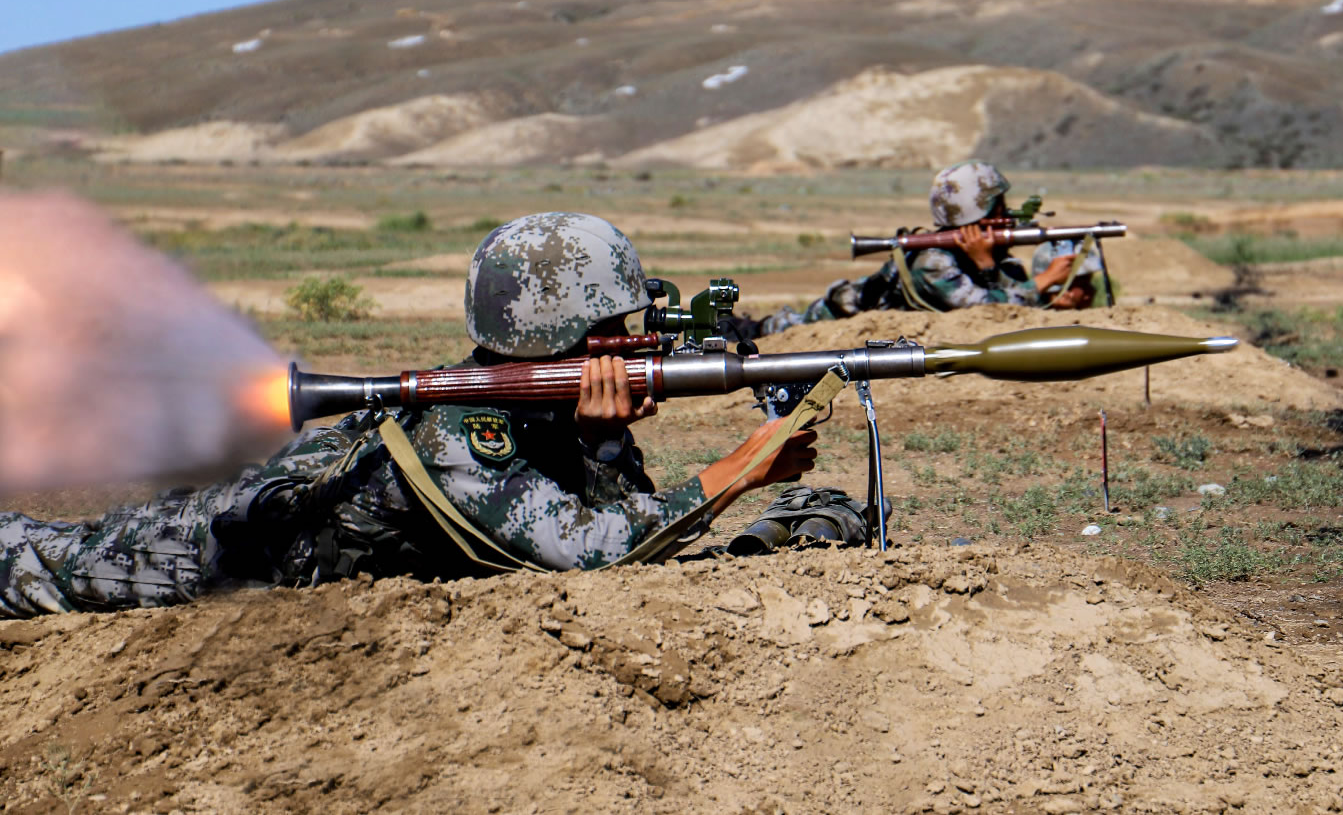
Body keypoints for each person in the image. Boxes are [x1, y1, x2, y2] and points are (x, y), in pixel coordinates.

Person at [0, 213, 820, 618]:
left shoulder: (524, 407)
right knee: (42, 565)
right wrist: (736, 471)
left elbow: (600, 509)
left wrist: (601, 437)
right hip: (217, 551)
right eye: (610, 332)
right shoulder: (465, 430)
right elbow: (591, 549)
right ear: (555, 335)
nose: (629, 346)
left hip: (277, 545)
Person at [746, 160, 1083, 337]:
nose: (1004, 213)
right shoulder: (933, 262)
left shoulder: (981, 254)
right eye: (996, 206)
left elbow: (1008, 305)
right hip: (821, 324)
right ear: (975, 212)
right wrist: (1040, 283)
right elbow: (983, 311)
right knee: (759, 332)